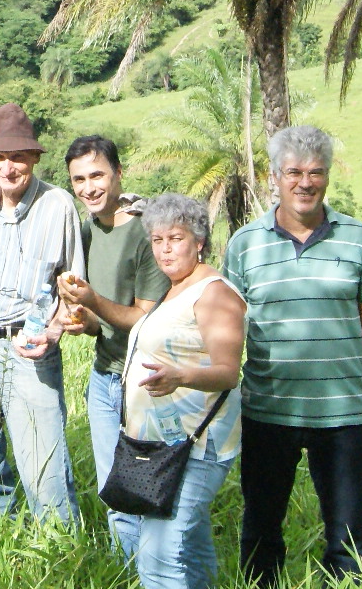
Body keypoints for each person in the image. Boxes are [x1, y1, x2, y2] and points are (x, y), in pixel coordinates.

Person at [222, 125, 362, 586]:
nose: (305, 182)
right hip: (267, 411)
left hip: (344, 414)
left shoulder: (357, 238)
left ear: (327, 177)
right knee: (260, 533)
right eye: (294, 172)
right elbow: (225, 329)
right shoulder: (244, 244)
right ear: (275, 177)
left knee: (347, 540)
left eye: (315, 172)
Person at [0, 102, 83, 524]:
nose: (7, 167)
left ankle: (60, 544)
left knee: (42, 463)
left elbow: (73, 289)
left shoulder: (58, 206)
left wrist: (51, 333)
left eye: (17, 157)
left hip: (27, 348)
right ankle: (2, 531)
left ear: (34, 157)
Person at [118, 194, 244, 589]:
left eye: (176, 238)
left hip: (196, 443)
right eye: (157, 240)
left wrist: (180, 376)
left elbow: (228, 372)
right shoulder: (174, 288)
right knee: (190, 549)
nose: (165, 249)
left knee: (159, 556)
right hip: (162, 443)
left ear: (199, 241)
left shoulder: (213, 293)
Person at [55, 134, 169, 557]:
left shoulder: (147, 233)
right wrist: (82, 321)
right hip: (104, 378)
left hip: (147, 382)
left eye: (97, 175)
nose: (89, 188)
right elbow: (100, 324)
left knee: (151, 491)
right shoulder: (87, 230)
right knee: (114, 490)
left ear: (119, 174)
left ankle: (157, 572)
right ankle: (128, 570)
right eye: (79, 180)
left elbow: (143, 319)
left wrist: (92, 300)